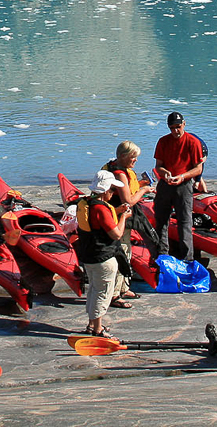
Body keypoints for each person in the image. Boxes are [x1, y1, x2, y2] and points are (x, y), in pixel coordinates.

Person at [75, 170, 129, 340]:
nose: (113, 193)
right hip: (103, 258)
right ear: (105, 190)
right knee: (102, 292)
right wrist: (124, 217)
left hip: (89, 256)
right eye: (112, 190)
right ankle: (98, 328)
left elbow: (98, 221)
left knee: (93, 289)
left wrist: (117, 211)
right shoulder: (101, 208)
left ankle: (92, 324)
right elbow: (117, 234)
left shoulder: (87, 203)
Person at [104, 140, 155, 307]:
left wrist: (140, 184)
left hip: (118, 218)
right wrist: (144, 191)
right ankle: (115, 295)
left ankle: (124, 288)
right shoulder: (119, 173)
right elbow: (128, 200)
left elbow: (125, 189)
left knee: (127, 251)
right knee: (122, 253)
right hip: (119, 219)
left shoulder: (112, 166)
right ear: (123, 156)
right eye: (133, 157)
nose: (136, 160)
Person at [153, 112, 206, 261]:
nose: (176, 131)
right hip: (166, 184)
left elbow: (198, 169)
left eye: (178, 127)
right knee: (161, 219)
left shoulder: (193, 142)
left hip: (184, 185)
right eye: (172, 128)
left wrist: (182, 176)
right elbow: (158, 166)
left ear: (184, 124)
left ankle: (187, 258)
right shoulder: (163, 141)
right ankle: (162, 254)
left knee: (185, 221)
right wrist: (166, 174)